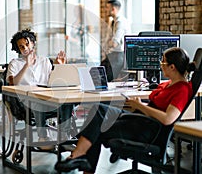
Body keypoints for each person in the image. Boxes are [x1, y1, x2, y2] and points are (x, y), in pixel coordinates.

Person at [55, 47, 195, 173]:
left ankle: (78, 156)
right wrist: (137, 105)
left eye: (163, 62)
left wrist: (140, 106)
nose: (160, 64)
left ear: (172, 67)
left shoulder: (181, 89)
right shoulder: (168, 84)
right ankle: (79, 157)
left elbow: (167, 119)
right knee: (99, 109)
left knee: (96, 126)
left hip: (146, 129)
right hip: (139, 119)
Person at [6, 29, 74, 150]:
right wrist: (27, 65)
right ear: (18, 49)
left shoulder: (44, 61)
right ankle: (43, 137)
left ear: (33, 43)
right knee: (36, 100)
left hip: (47, 98)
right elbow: (13, 83)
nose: (25, 48)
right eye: (21, 47)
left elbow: (53, 82)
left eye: (27, 44)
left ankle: (65, 137)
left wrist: (60, 67)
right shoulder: (15, 63)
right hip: (25, 102)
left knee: (66, 101)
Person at [101, 0, 131, 81]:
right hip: (112, 54)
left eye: (107, 8)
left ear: (113, 9)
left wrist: (110, 42)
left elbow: (114, 43)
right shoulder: (113, 22)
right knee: (99, 72)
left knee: (106, 78)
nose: (105, 10)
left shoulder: (120, 22)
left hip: (118, 55)